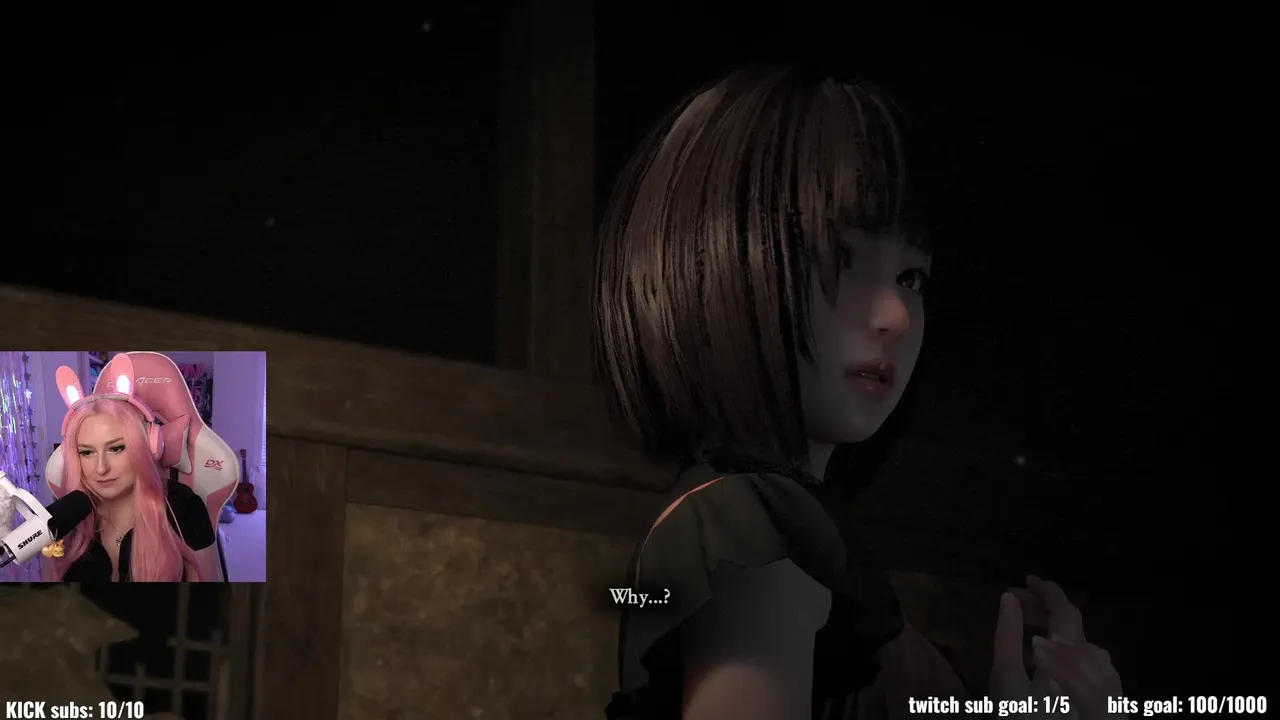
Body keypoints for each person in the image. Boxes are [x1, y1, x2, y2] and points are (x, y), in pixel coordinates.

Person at [594, 66, 1123, 719]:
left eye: (911, 277)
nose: (896, 317)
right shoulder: (751, 528)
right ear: (721, 261)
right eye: (841, 259)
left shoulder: (777, 532)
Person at [45, 363, 218, 583]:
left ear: (148, 446)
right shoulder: (67, 516)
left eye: (116, 448)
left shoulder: (182, 507)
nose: (101, 468)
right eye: (87, 452)